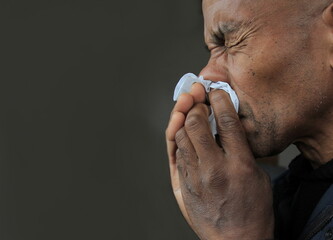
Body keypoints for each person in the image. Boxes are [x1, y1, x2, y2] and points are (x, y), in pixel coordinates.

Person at [165, 0, 333, 239]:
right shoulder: (292, 198)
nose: (206, 75)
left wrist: (238, 233)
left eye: (229, 41)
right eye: (212, 50)